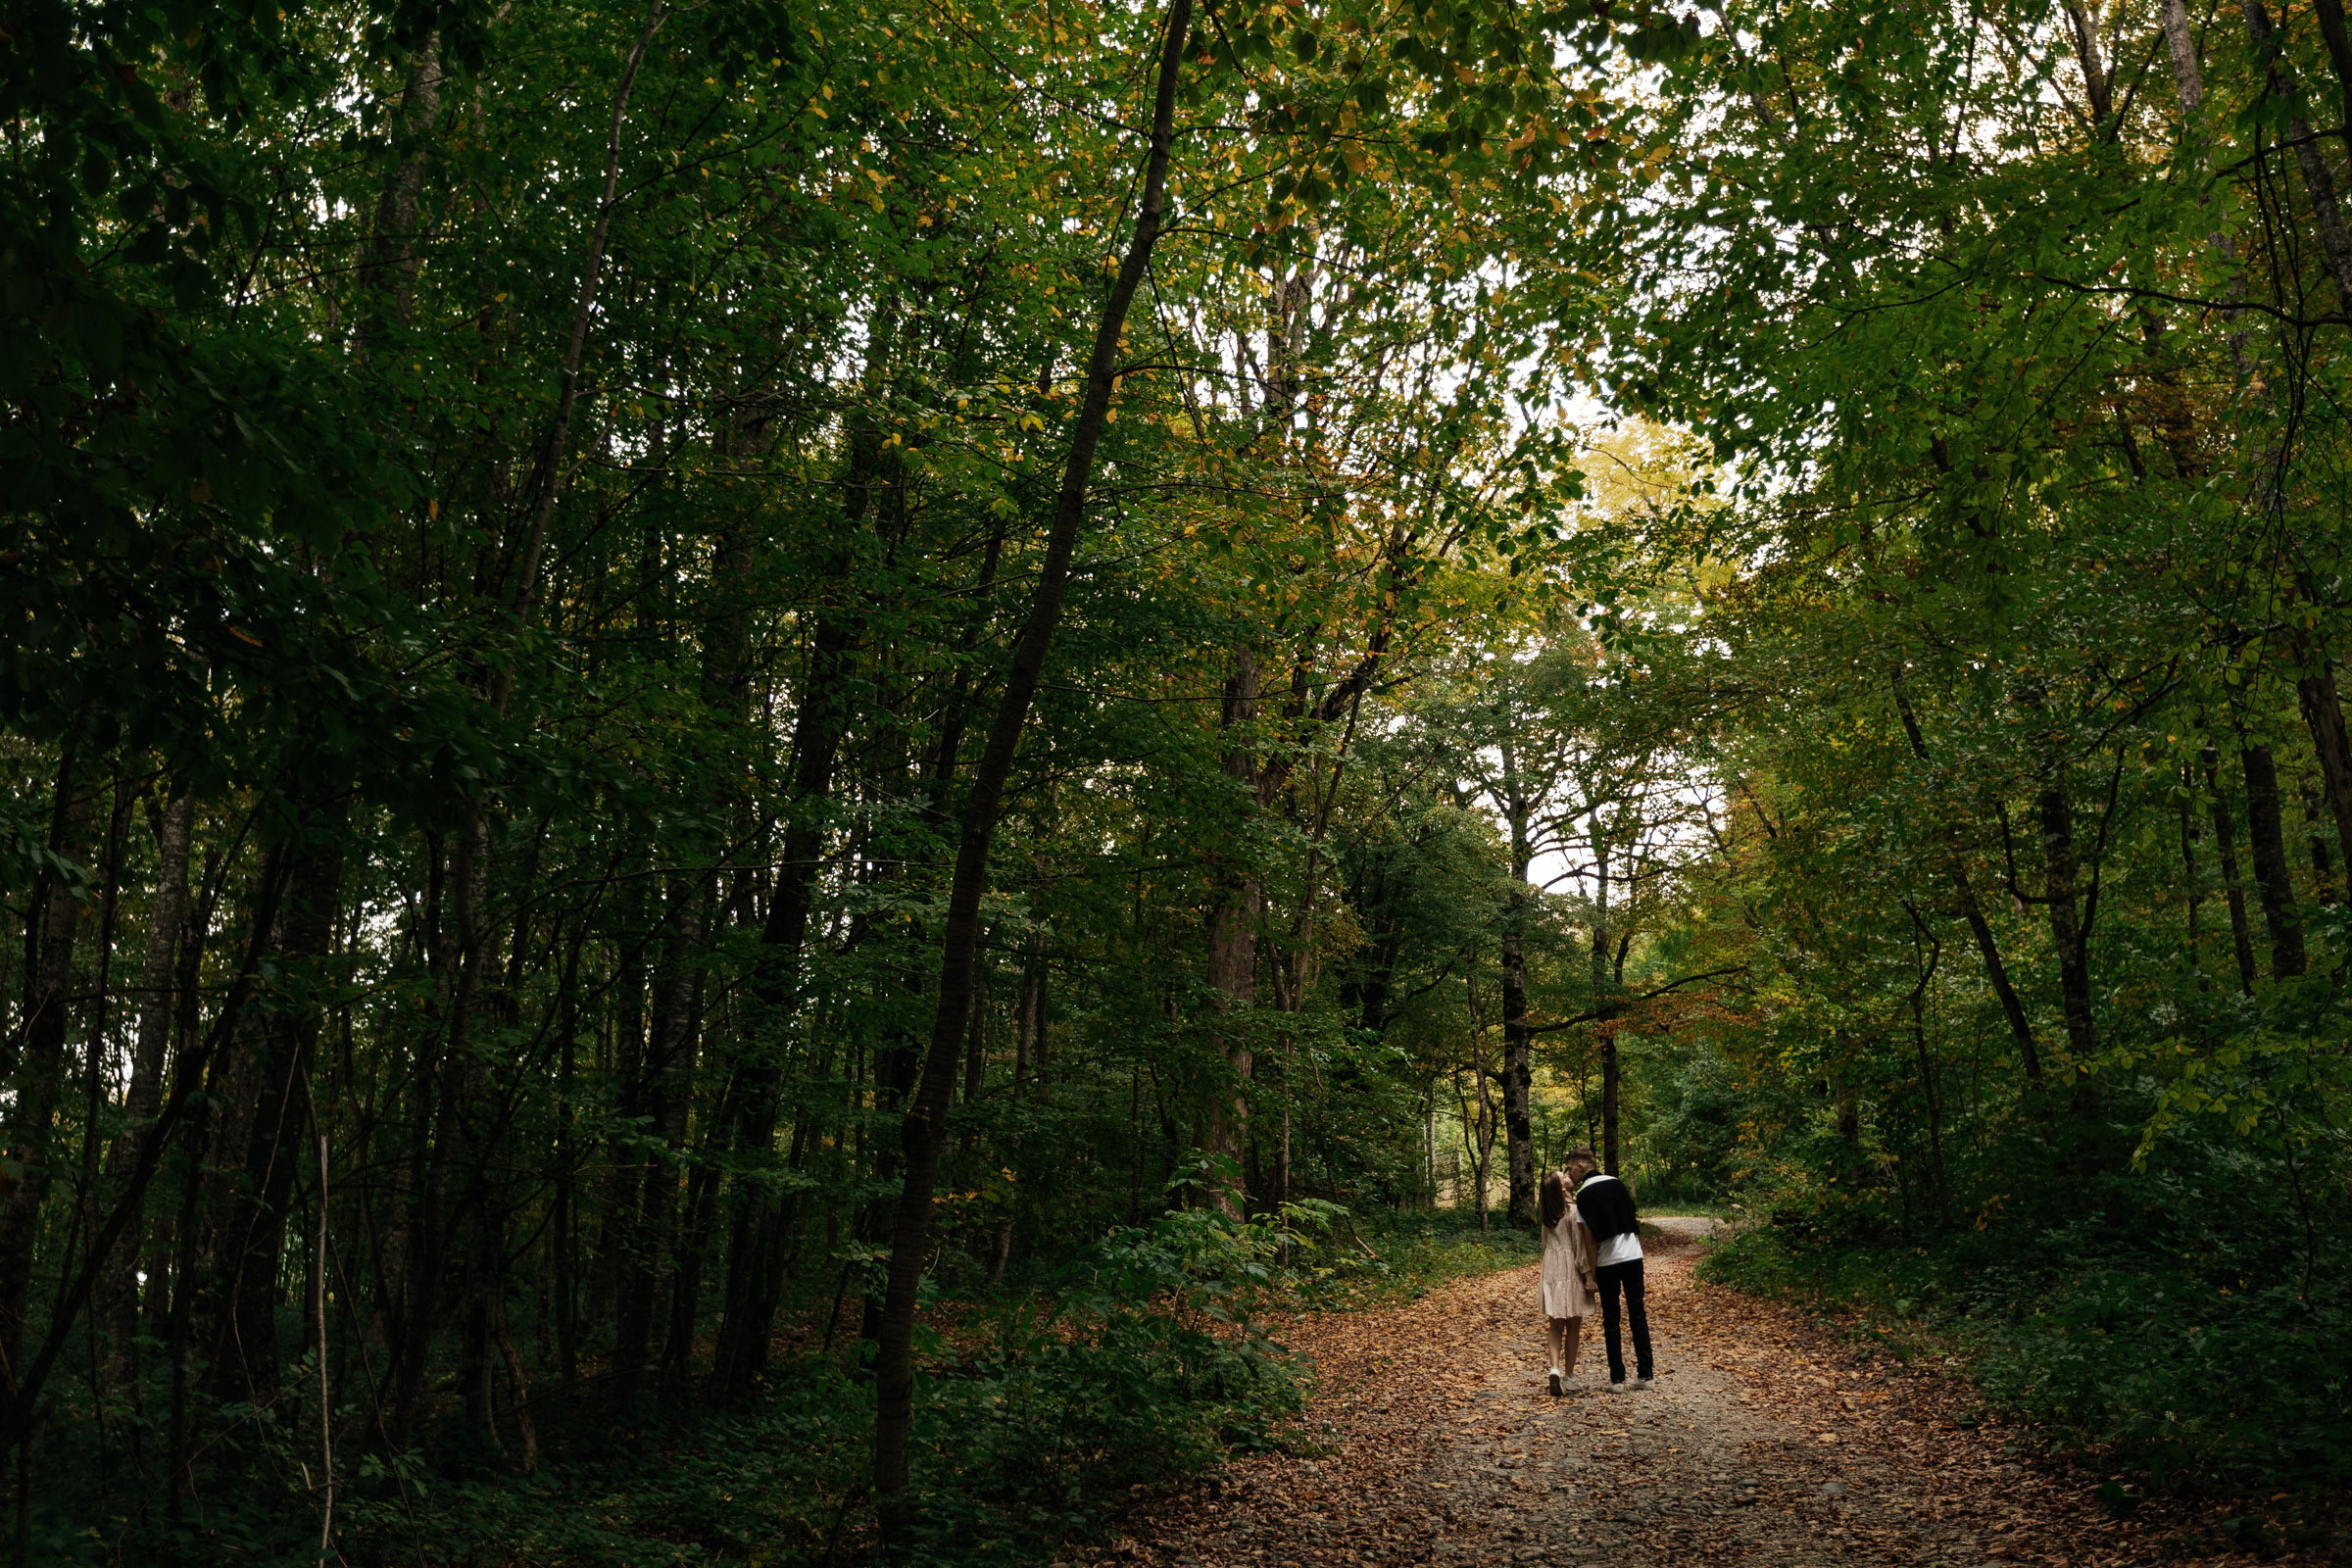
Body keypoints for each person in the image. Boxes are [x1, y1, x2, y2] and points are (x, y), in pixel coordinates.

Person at [1566, 1147, 1652, 1390]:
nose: (1570, 1172)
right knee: (1638, 1313)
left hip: (1608, 1261)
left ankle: (1617, 1379)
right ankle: (1646, 1375)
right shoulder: (1617, 1183)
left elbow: (1590, 1239)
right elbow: (1631, 1216)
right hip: (1633, 1255)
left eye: (1571, 1168)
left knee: (1612, 1319)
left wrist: (1591, 1272)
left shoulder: (1583, 1195)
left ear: (1582, 1166)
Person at [1538, 1168, 1598, 1396]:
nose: (1566, 1174)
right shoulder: (1573, 1211)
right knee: (1573, 1324)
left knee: (1555, 1324)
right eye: (1561, 1174)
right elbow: (1579, 1247)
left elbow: (1544, 1243)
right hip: (1570, 1268)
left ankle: (1554, 1368)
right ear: (1562, 1188)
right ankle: (1570, 1376)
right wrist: (1589, 1275)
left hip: (1551, 1266)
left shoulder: (1547, 1212)